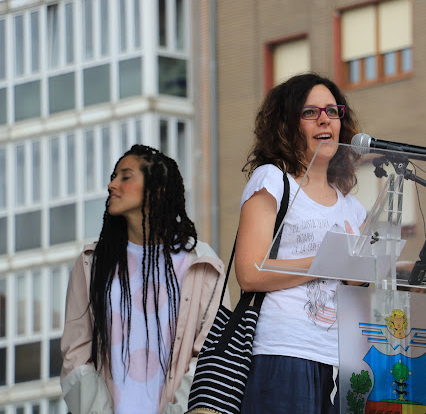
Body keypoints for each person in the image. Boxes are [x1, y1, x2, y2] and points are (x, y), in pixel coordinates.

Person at [60, 145, 229, 414]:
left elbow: (212, 352)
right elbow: (76, 352)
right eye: (114, 176)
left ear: (156, 189)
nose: (111, 184)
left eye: (125, 177)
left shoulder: (201, 263)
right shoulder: (92, 263)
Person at [236, 73, 366, 413]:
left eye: (332, 111)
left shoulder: (353, 206)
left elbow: (358, 284)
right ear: (286, 126)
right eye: (310, 112)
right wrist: (325, 261)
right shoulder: (273, 180)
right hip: (284, 352)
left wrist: (413, 272)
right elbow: (250, 272)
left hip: (344, 359)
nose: (324, 119)